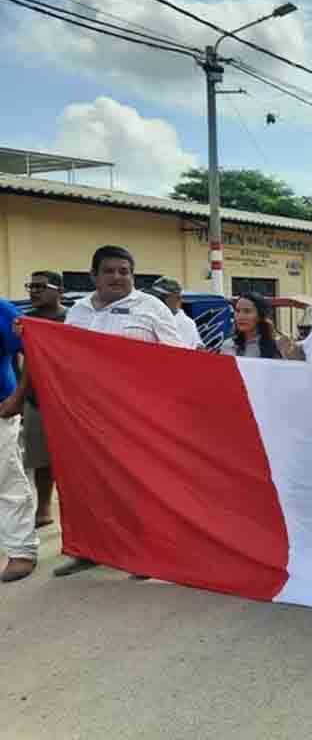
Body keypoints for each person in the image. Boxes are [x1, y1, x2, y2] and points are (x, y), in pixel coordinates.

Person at [55, 246, 185, 578]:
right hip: (85, 413)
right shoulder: (78, 311)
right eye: (110, 270)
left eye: (124, 271)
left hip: (136, 415)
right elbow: (63, 355)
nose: (117, 277)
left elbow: (179, 359)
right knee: (88, 483)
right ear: (93, 276)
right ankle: (88, 549)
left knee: (138, 485)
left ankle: (147, 551)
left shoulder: (151, 308)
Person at [2, 272, 66, 529]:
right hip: (36, 399)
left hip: (68, 401)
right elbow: (23, 360)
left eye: (41, 286)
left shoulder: (75, 318)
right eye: (31, 286)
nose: (34, 291)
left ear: (59, 290)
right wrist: (19, 396)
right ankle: (43, 507)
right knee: (39, 459)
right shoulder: (24, 321)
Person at [0, 297, 37, 583]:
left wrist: (17, 398)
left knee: (6, 480)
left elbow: (34, 350)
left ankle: (21, 551)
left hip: (0, 407)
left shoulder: (2, 309)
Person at [220, 293, 282, 358]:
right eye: (237, 311)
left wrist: (288, 354)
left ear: (260, 316)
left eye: (247, 311)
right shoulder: (227, 345)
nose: (240, 316)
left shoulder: (277, 345)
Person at [148, 277, 202, 349]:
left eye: (163, 297)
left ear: (178, 298)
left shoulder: (186, 324)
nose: (157, 300)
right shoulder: (153, 316)